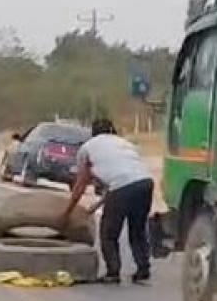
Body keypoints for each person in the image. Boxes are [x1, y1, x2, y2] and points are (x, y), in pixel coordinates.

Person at [62, 118, 154, 285]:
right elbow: (118, 183)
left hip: (122, 186)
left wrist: (66, 213)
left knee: (108, 233)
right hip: (145, 183)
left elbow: (80, 186)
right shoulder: (124, 143)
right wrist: (95, 207)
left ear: (93, 132)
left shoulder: (88, 148)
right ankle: (143, 268)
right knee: (138, 230)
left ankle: (113, 272)